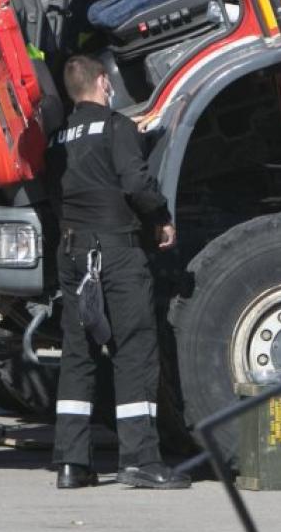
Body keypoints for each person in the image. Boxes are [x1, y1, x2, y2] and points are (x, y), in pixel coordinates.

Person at [49, 54, 185, 490]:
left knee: (78, 355)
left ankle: (72, 464)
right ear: (103, 82)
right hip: (116, 253)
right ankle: (141, 460)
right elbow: (135, 183)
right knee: (134, 351)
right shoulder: (117, 127)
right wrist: (161, 217)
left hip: (72, 253)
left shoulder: (58, 138)